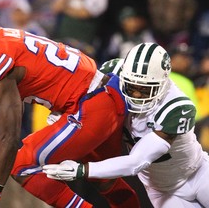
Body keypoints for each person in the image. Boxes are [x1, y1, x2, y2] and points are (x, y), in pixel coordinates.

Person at [0, 1, 140, 207]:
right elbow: (15, 108)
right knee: (105, 179)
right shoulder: (7, 38)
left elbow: (10, 135)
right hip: (104, 96)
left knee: (22, 165)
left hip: (88, 106)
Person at [43, 43, 209, 208]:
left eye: (145, 90)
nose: (136, 95)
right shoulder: (114, 71)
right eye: (132, 87)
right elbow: (82, 92)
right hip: (162, 191)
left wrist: (83, 170)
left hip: (197, 175)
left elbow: (137, 161)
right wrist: (65, 111)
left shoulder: (177, 108)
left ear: (163, 83)